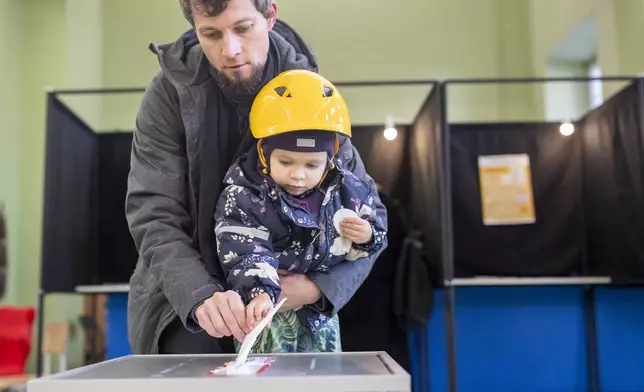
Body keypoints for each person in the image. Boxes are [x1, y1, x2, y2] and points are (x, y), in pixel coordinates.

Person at [125, 0, 388, 355]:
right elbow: (154, 213)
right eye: (211, 33)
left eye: (243, 28)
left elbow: (370, 215)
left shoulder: (312, 93)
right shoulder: (167, 96)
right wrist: (199, 294)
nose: (230, 50)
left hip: (289, 306)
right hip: (187, 305)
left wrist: (317, 288)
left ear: (270, 15)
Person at [214, 69, 388, 353]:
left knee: (322, 379)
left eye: (311, 165)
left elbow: (369, 240)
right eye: (286, 161)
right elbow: (244, 248)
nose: (298, 175)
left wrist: (367, 236)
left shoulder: (347, 192)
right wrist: (258, 291)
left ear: (330, 161)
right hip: (264, 313)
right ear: (263, 154)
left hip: (320, 316)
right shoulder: (245, 196)